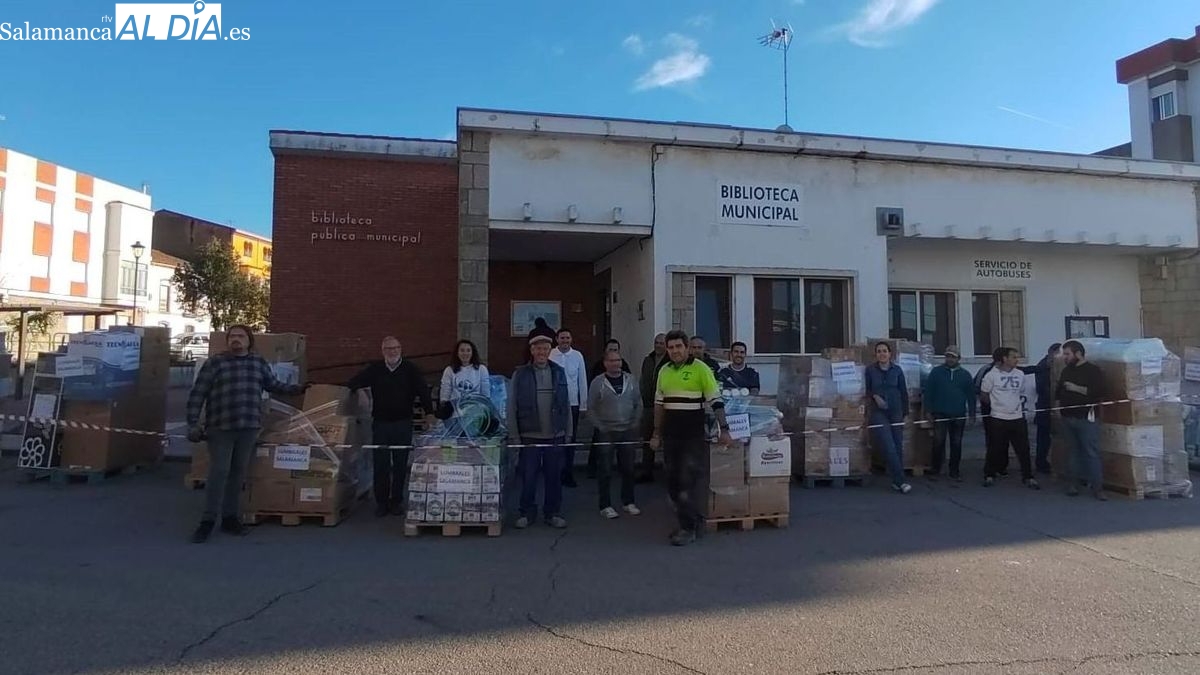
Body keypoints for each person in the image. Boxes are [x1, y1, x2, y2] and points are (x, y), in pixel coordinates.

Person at [186, 325, 309, 543]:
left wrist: (298, 389)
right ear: (227, 341)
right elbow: (198, 393)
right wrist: (193, 423)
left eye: (240, 336)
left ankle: (230, 517)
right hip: (220, 427)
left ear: (249, 341)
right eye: (232, 336)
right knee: (219, 472)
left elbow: (273, 385)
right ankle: (207, 521)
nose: (236, 340)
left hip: (249, 427)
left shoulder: (257, 362)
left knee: (238, 474)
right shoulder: (215, 363)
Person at [649, 330, 734, 547]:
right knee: (672, 482)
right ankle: (692, 522)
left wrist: (724, 429)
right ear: (667, 350)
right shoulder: (664, 371)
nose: (675, 351)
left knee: (687, 482)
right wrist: (656, 433)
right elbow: (659, 406)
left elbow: (716, 401)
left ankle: (688, 529)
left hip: (693, 437)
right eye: (671, 347)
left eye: (679, 346)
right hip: (671, 436)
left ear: (687, 348)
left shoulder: (701, 369)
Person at [347, 336, 436, 518]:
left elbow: (423, 391)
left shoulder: (410, 369)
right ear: (383, 351)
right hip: (380, 423)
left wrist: (429, 413)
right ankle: (381, 502)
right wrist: (360, 392)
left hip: (403, 422)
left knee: (400, 464)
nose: (392, 352)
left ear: (400, 349)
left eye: (395, 348)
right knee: (381, 464)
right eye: (388, 349)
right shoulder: (375, 369)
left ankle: (396, 501)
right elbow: (352, 382)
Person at [507, 334, 572, 529]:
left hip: (555, 434)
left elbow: (566, 403)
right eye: (538, 349)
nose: (542, 352)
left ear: (549, 351)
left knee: (554, 477)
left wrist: (568, 431)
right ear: (532, 351)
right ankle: (527, 512)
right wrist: (514, 435)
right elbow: (511, 406)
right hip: (529, 434)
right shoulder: (520, 374)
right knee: (529, 477)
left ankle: (552, 513)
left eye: (545, 349)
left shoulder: (559, 372)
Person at [587, 350, 643, 519]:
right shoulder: (598, 382)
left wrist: (635, 423)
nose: (615, 363)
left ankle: (628, 502)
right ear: (605, 363)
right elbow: (590, 408)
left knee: (628, 469)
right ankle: (605, 505)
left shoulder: (631, 380)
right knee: (605, 470)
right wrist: (600, 427)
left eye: (618, 360)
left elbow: (638, 403)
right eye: (611, 361)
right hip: (606, 432)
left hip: (627, 431)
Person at [980, 347, 1039, 490]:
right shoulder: (991, 375)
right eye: (1013, 357)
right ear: (1004, 359)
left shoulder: (1020, 374)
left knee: (1023, 448)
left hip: (1017, 417)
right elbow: (984, 395)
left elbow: (1021, 392)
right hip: (998, 417)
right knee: (995, 447)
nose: (1016, 360)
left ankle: (1028, 476)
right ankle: (989, 474)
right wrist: (997, 405)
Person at [1056, 341, 1108, 500]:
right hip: (1067, 417)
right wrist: (1057, 410)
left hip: (1086, 418)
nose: (1065, 357)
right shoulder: (1066, 370)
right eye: (1064, 354)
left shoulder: (1093, 371)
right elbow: (1058, 392)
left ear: (1078, 354)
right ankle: (1073, 484)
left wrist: (1075, 388)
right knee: (1072, 451)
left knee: (1091, 452)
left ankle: (1098, 488)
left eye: (1067, 354)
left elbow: (1098, 392)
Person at [922, 346, 976, 481]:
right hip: (940, 413)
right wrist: (928, 410)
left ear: (959, 359)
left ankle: (954, 470)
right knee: (938, 441)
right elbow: (928, 392)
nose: (950, 359)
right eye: (948, 356)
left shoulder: (965, 375)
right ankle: (936, 468)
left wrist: (972, 414)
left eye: (953, 356)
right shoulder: (936, 372)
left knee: (956, 443)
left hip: (959, 414)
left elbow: (971, 396)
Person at [865, 341, 912, 494]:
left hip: (896, 410)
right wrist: (875, 396)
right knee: (889, 445)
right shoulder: (870, 370)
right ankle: (901, 481)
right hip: (879, 413)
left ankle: (895, 481)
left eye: (884, 351)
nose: (882, 354)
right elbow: (866, 390)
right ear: (876, 354)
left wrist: (905, 412)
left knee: (898, 446)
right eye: (879, 351)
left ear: (890, 354)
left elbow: (903, 392)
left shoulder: (897, 370)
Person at [549, 327, 588, 487]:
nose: (565, 341)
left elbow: (582, 380)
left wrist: (583, 404)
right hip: (554, 405)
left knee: (570, 439)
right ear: (557, 339)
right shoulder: (551, 354)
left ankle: (568, 473)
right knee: (554, 438)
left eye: (567, 338)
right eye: (562, 338)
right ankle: (553, 473)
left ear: (571, 340)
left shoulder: (577, 356)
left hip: (572, 403)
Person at [1022, 342, 1062, 474]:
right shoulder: (1044, 365)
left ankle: (1052, 461)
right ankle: (1041, 462)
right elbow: (1042, 387)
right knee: (1044, 436)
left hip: (1054, 404)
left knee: (1055, 436)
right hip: (1045, 405)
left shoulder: (1057, 365)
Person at [638, 333, 669, 482]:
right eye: (656, 343)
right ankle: (646, 472)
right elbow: (643, 380)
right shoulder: (648, 360)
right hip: (649, 405)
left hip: (667, 406)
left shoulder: (670, 362)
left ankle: (669, 474)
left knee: (668, 441)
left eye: (661, 343)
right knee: (647, 441)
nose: (658, 346)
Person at [974, 348, 1007, 476]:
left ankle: (1002, 466)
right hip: (990, 411)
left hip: (1006, 411)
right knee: (993, 440)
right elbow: (977, 387)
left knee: (1004, 439)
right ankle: (992, 468)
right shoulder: (987, 370)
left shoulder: (1011, 371)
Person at [438, 339, 491, 417]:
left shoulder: (481, 369)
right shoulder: (449, 370)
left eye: (468, 350)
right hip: (455, 413)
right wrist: (444, 405)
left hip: (475, 413)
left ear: (472, 353)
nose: (465, 353)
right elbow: (445, 389)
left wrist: (485, 408)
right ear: (457, 353)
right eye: (462, 350)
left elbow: (485, 392)